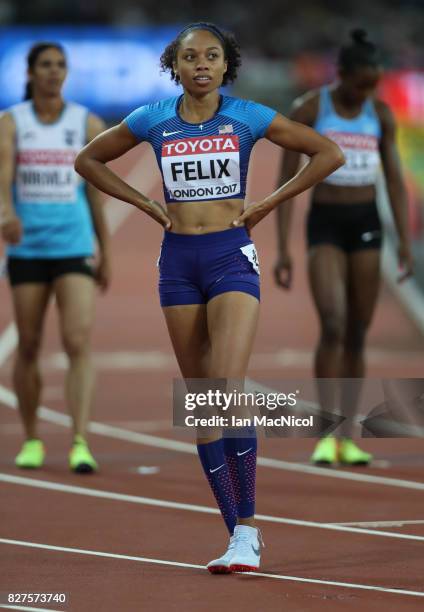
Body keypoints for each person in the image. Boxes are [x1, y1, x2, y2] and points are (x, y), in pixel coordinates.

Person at [75, 22, 343, 572]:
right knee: (202, 405)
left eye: (212, 56)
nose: (201, 64)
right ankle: (236, 534)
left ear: (226, 66)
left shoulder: (247, 117)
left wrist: (268, 202)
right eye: (190, 56)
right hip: (177, 264)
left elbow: (327, 153)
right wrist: (148, 207)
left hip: (229, 258)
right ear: (175, 66)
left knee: (224, 390)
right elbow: (88, 161)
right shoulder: (153, 119)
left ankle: (246, 528)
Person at [274, 29, 413, 466]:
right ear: (344, 75)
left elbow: (392, 178)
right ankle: (327, 430)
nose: (367, 92)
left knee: (356, 330)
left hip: (366, 224)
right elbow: (285, 182)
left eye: (373, 84)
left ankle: (349, 434)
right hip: (327, 226)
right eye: (361, 84)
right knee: (332, 323)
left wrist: (405, 242)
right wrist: (282, 248)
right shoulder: (312, 108)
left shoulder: (381, 113)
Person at [0, 42, 110, 473]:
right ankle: (31, 438)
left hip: (75, 245)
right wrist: (5, 214)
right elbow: (3, 177)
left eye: (60, 65)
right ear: (30, 73)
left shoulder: (87, 123)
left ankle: (80, 439)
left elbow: (98, 196)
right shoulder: (12, 122)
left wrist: (107, 250)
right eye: (45, 65)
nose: (53, 72)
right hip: (28, 247)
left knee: (77, 341)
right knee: (28, 344)